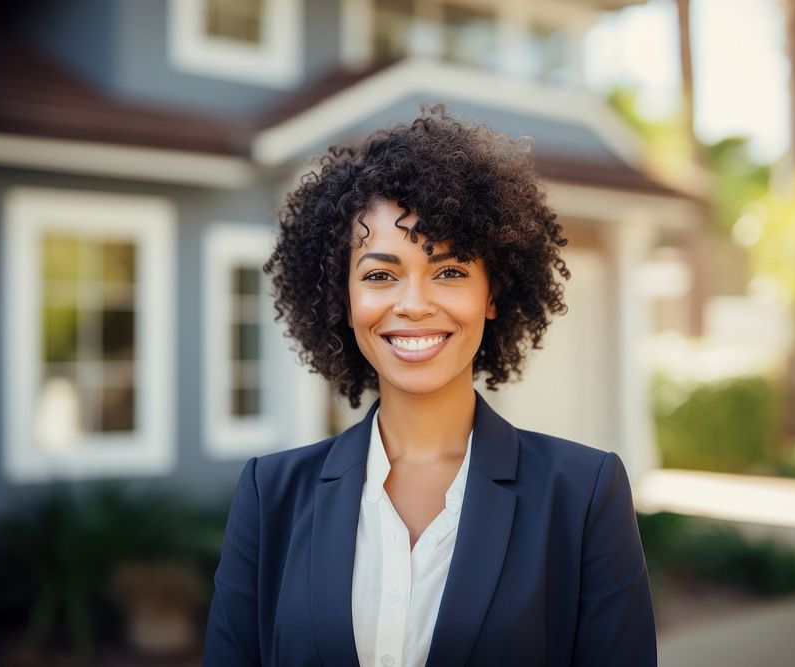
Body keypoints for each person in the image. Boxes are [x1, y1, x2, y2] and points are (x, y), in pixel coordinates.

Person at [203, 106, 657, 666]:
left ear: (493, 294)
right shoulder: (270, 496)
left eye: (449, 271)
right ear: (343, 300)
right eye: (379, 274)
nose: (414, 304)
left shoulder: (584, 497)